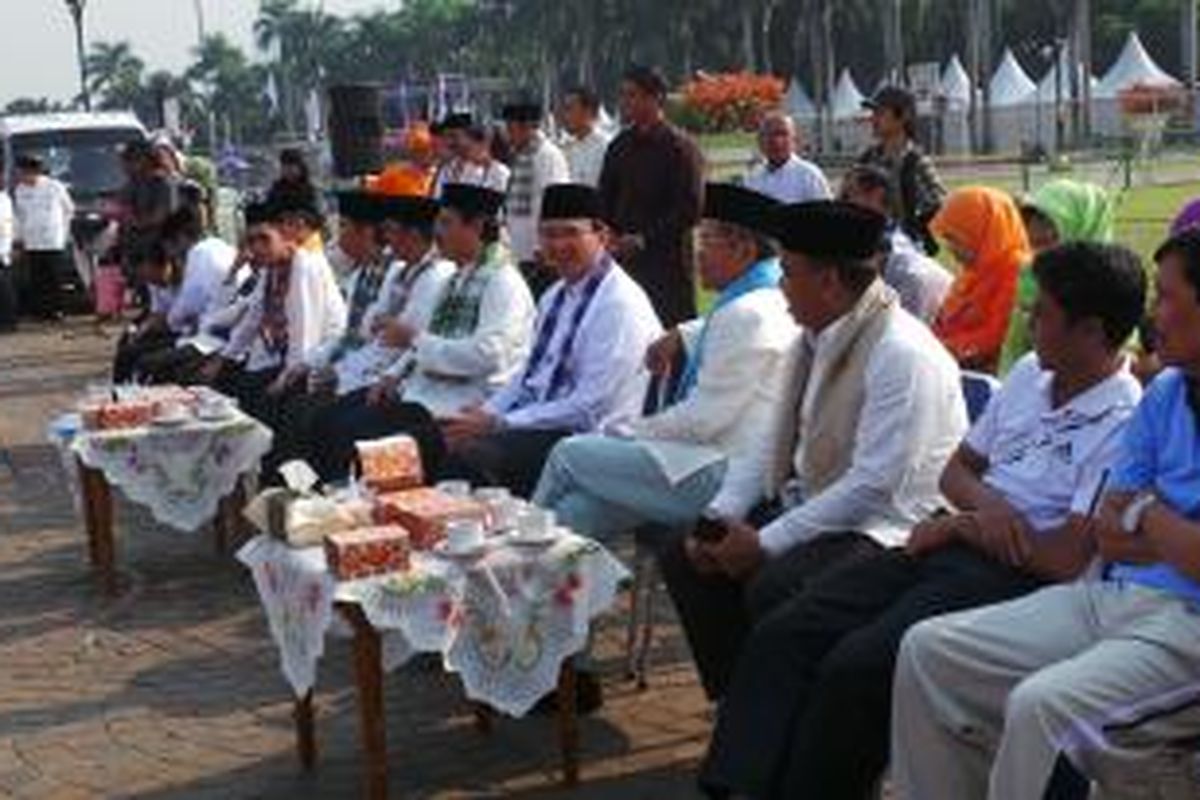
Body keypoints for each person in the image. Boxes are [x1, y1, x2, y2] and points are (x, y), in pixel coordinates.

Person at [699, 242, 1147, 800]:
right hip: (947, 541)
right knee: (790, 627)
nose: (1028, 324)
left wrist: (967, 523)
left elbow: (1063, 560)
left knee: (857, 665)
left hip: (1010, 578)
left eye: (1044, 314)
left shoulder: (1124, 418)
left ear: (1091, 331)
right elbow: (955, 472)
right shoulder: (1033, 374)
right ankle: (734, 784)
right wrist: (984, 514)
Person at [892, 230, 1200, 800]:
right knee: (928, 650)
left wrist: (1147, 515)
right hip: (1112, 598)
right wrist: (1164, 529)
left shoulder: (1131, 398)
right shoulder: (1166, 394)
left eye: (1168, 297)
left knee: (1044, 707)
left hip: (1188, 626)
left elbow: (1131, 532)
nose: (1152, 318)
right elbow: (1110, 534)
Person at [658, 200, 967, 702]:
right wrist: (718, 517)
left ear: (828, 283)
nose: (780, 288)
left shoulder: (900, 352)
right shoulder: (813, 338)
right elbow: (766, 441)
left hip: (887, 526)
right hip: (816, 499)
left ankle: (785, 713)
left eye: (787, 274)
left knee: (773, 583)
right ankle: (745, 704)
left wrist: (765, 541)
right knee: (686, 551)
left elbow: (873, 485)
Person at [532, 183, 796, 540]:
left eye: (706, 243)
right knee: (578, 512)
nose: (695, 255)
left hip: (722, 472)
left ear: (744, 250)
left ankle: (516, 550)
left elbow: (703, 420)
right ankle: (554, 587)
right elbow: (722, 329)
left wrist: (634, 431)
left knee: (568, 454)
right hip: (710, 460)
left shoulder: (746, 314)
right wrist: (682, 333)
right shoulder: (766, 297)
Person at [437, 183, 663, 497]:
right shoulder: (556, 294)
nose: (558, 245)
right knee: (441, 438)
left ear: (602, 236)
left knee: (472, 457)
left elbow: (589, 406)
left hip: (596, 438)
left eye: (570, 233)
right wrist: (488, 413)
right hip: (547, 422)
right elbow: (529, 374)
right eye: (549, 234)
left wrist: (501, 422)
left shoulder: (618, 304)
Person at [315, 183, 534, 482]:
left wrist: (414, 340)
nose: (437, 232)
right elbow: (420, 340)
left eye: (446, 223)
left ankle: (372, 517)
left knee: (359, 442)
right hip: (423, 394)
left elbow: (488, 355)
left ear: (478, 226)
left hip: (464, 402)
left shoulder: (503, 282)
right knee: (330, 420)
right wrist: (392, 375)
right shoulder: (456, 277)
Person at [306, 192, 455, 481]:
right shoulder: (402, 271)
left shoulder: (439, 274)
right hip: (393, 375)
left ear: (412, 235)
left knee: (347, 428)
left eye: (392, 232)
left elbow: (405, 338)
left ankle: (352, 506)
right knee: (322, 418)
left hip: (422, 388)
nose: (387, 240)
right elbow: (374, 329)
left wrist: (388, 369)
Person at [201, 199, 347, 430]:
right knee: (231, 382)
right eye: (251, 241)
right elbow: (252, 319)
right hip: (283, 355)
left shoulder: (305, 267)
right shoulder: (272, 269)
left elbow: (304, 333)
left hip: (318, 357)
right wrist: (223, 359)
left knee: (262, 398)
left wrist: (283, 380)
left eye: (265, 239)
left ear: (286, 235)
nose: (257, 248)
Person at [599, 65, 705, 327]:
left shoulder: (680, 148)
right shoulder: (619, 146)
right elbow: (604, 199)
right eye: (623, 95)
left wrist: (644, 239)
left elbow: (690, 209)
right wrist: (609, 234)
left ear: (656, 97)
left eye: (632, 95)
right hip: (623, 262)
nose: (625, 102)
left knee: (670, 334)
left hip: (667, 265)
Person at [1000, 179, 1116, 373]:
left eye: (1050, 242)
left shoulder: (1111, 287)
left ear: (1082, 227)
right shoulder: (1030, 277)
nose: (1040, 257)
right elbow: (1012, 352)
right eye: (1035, 246)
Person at [931, 186, 1032, 373]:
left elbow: (996, 337)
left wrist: (939, 349)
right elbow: (944, 321)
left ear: (984, 231)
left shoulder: (1017, 271)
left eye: (956, 239)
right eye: (947, 239)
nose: (951, 249)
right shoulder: (976, 270)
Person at [840, 164, 952, 324]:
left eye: (851, 195)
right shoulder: (890, 236)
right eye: (845, 196)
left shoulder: (903, 265)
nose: (843, 204)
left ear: (877, 197)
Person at [858, 85, 946, 255]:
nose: (873, 119)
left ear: (903, 116)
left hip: (909, 256)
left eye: (880, 113)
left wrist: (916, 233)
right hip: (871, 252)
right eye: (873, 113)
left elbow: (939, 206)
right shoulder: (867, 159)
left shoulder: (915, 162)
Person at [503, 100, 571, 297]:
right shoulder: (521, 155)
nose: (507, 135)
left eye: (510, 128)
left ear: (527, 127)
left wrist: (544, 244)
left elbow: (554, 204)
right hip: (520, 250)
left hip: (540, 253)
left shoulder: (547, 155)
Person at [12, 154, 74, 321]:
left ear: (32, 171)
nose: (20, 176)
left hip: (53, 239)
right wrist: (18, 239)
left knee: (54, 277)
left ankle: (58, 310)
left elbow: (68, 209)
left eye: (22, 172)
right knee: (37, 279)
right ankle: (41, 312)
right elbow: (19, 216)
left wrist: (64, 232)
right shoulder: (20, 190)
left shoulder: (54, 186)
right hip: (32, 241)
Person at [111, 242, 182, 382]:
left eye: (146, 272)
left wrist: (156, 324)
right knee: (127, 344)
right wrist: (140, 331)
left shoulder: (185, 281)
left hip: (187, 333)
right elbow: (156, 313)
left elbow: (178, 318)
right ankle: (119, 390)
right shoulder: (153, 282)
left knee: (145, 359)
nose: (148, 280)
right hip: (169, 327)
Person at [743, 112, 831, 204]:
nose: (776, 141)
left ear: (794, 139)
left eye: (783, 134)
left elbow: (826, 214)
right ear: (760, 141)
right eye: (769, 134)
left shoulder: (809, 176)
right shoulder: (753, 177)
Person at [558, 86, 612, 187]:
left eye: (570, 109)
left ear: (588, 111)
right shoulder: (564, 147)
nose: (565, 116)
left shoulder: (606, 147)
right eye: (565, 109)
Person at [265, 148, 322, 221]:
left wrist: (302, 215)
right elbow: (269, 212)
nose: (289, 170)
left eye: (292, 166)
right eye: (285, 167)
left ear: (300, 168)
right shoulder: (277, 189)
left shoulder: (309, 189)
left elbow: (317, 214)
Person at [0, 176, 16, 331]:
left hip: (1, 248)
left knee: (4, 287)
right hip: (4, 247)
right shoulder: (4, 198)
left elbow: (3, 226)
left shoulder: (2, 199)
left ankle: (8, 321)